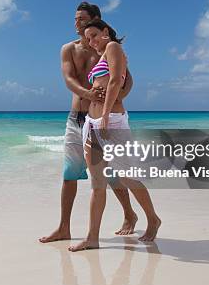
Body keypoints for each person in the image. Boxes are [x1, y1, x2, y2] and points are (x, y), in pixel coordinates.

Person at [39, 2, 138, 244]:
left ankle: (130, 215)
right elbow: (69, 80)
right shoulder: (69, 49)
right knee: (69, 174)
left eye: (81, 19)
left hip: (101, 119)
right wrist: (89, 94)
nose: (76, 23)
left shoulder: (107, 48)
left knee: (113, 173)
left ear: (96, 20)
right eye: (75, 19)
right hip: (77, 118)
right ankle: (64, 227)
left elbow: (126, 81)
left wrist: (112, 103)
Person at [68, 19, 161, 252]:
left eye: (94, 35)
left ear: (106, 32)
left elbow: (115, 81)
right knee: (97, 183)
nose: (91, 41)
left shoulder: (113, 48)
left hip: (112, 122)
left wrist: (107, 115)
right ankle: (92, 238)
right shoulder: (102, 55)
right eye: (88, 38)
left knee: (127, 177)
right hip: (91, 123)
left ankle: (153, 219)